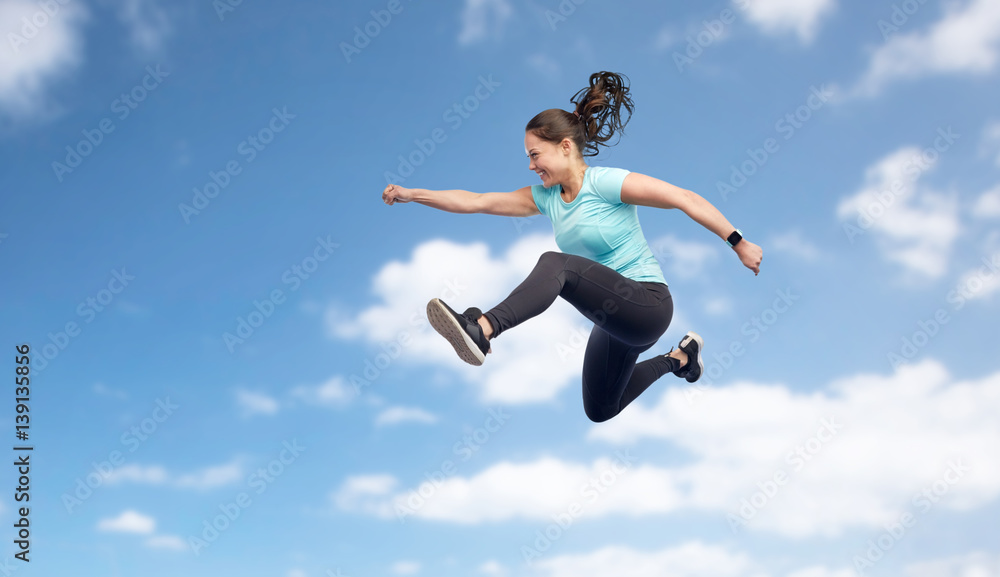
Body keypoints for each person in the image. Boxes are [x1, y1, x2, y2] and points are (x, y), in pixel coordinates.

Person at [381, 71, 762, 423]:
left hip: (648, 304)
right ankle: (680, 359)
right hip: (615, 322)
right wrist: (414, 194)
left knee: (557, 264)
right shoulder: (547, 197)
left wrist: (738, 241)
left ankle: (483, 328)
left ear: (565, 147)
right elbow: (477, 200)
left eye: (535, 155)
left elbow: (683, 197)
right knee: (600, 409)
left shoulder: (606, 183)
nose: (531, 166)